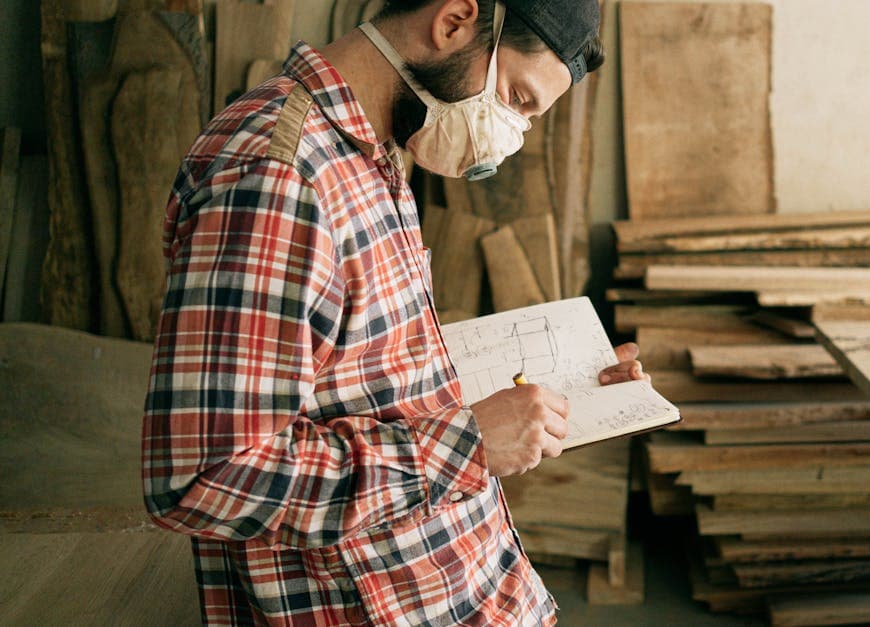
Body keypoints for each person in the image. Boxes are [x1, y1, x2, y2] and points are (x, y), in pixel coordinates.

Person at [141, 1, 647, 624]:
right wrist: (466, 446)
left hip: (464, 590)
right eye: (516, 97)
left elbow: (362, 375)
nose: (514, 131)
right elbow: (206, 476)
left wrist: (570, 383)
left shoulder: (370, 150)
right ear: (455, 21)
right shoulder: (277, 176)